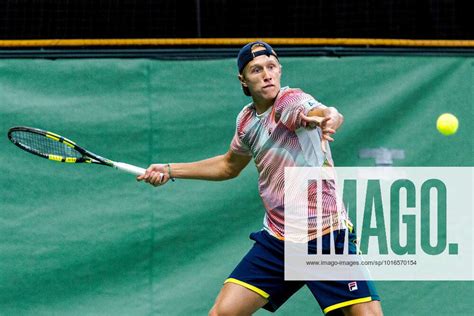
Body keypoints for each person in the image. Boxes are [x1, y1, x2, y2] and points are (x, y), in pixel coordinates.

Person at [137, 41, 383, 316]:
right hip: (278, 240)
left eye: (271, 67)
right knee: (222, 313)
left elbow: (319, 111)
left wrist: (329, 117)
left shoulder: (290, 103)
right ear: (243, 80)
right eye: (256, 70)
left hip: (322, 235)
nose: (266, 74)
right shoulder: (246, 121)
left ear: (279, 70)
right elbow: (229, 166)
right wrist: (169, 169)